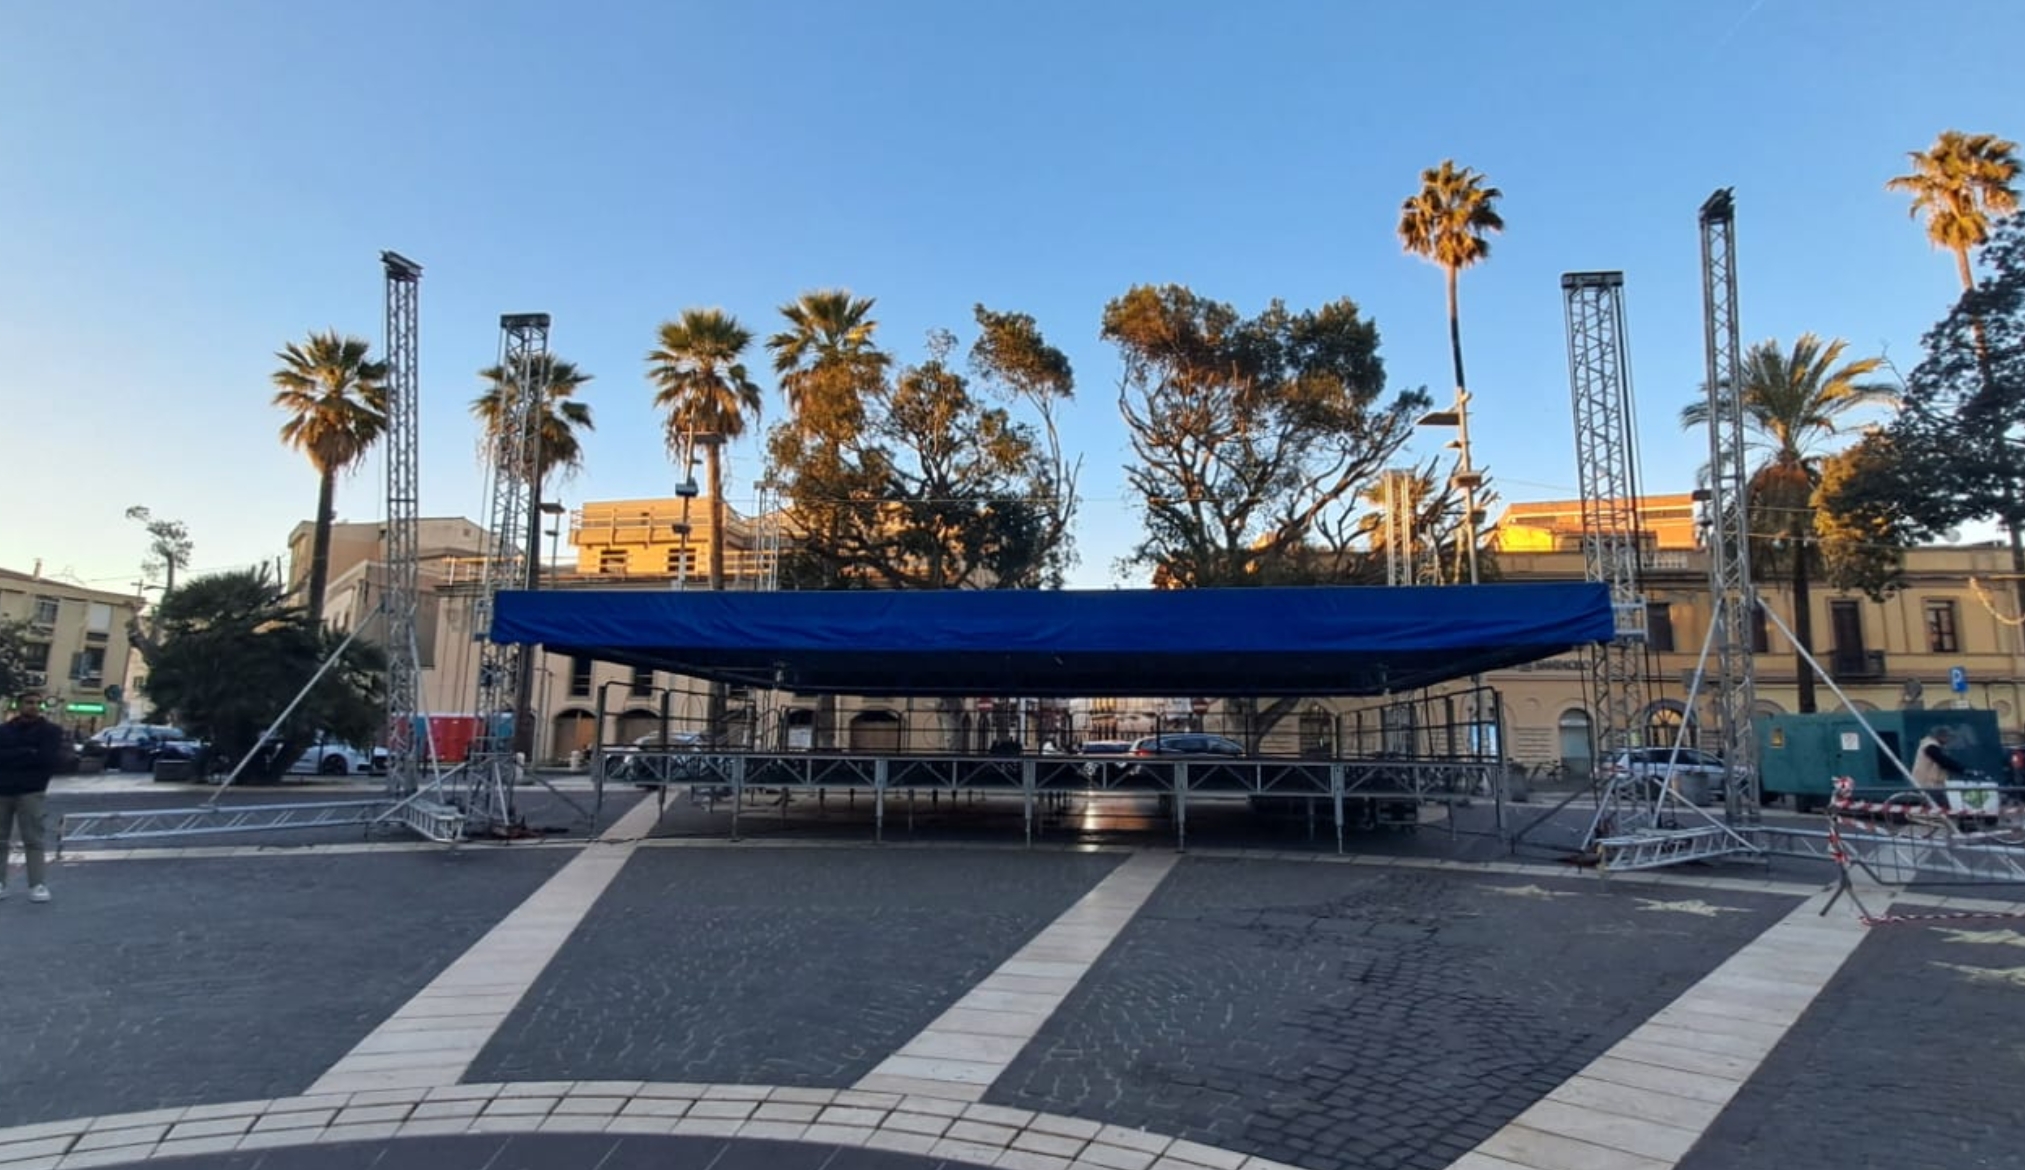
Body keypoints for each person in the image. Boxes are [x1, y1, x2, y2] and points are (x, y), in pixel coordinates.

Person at [0, 688, 65, 903]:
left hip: (31, 790)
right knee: (0, 839)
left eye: (38, 703)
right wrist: (28, 752)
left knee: (33, 838)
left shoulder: (51, 731)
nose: (34, 707)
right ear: (19, 705)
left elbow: (47, 759)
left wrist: (14, 755)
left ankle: (37, 884)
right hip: (3, 789)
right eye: (29, 702)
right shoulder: (4, 730)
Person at [1910, 724, 1968, 807]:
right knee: (1944, 807)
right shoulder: (1930, 746)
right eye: (1948, 737)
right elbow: (1943, 761)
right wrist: (1962, 769)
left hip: (1933, 785)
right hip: (1928, 785)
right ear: (1941, 736)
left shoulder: (1935, 746)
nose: (1949, 740)